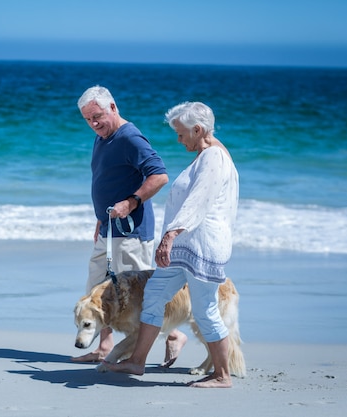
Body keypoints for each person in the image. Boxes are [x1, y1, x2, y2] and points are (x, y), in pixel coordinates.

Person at [103, 101, 240, 388]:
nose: (178, 140)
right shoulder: (207, 153)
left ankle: (222, 375)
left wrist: (169, 236)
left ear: (198, 130)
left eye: (181, 134)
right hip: (183, 248)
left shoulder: (213, 157)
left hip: (200, 247)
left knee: (205, 310)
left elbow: (198, 201)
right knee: (154, 295)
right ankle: (137, 361)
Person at [71, 86, 186, 364]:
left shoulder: (130, 137)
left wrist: (131, 202)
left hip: (131, 233)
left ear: (113, 107)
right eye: (88, 119)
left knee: (135, 299)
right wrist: (101, 217)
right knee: (97, 293)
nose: (93, 123)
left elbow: (159, 175)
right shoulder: (103, 137)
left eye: (97, 116)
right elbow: (109, 179)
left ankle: (170, 335)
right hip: (109, 231)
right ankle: (104, 347)